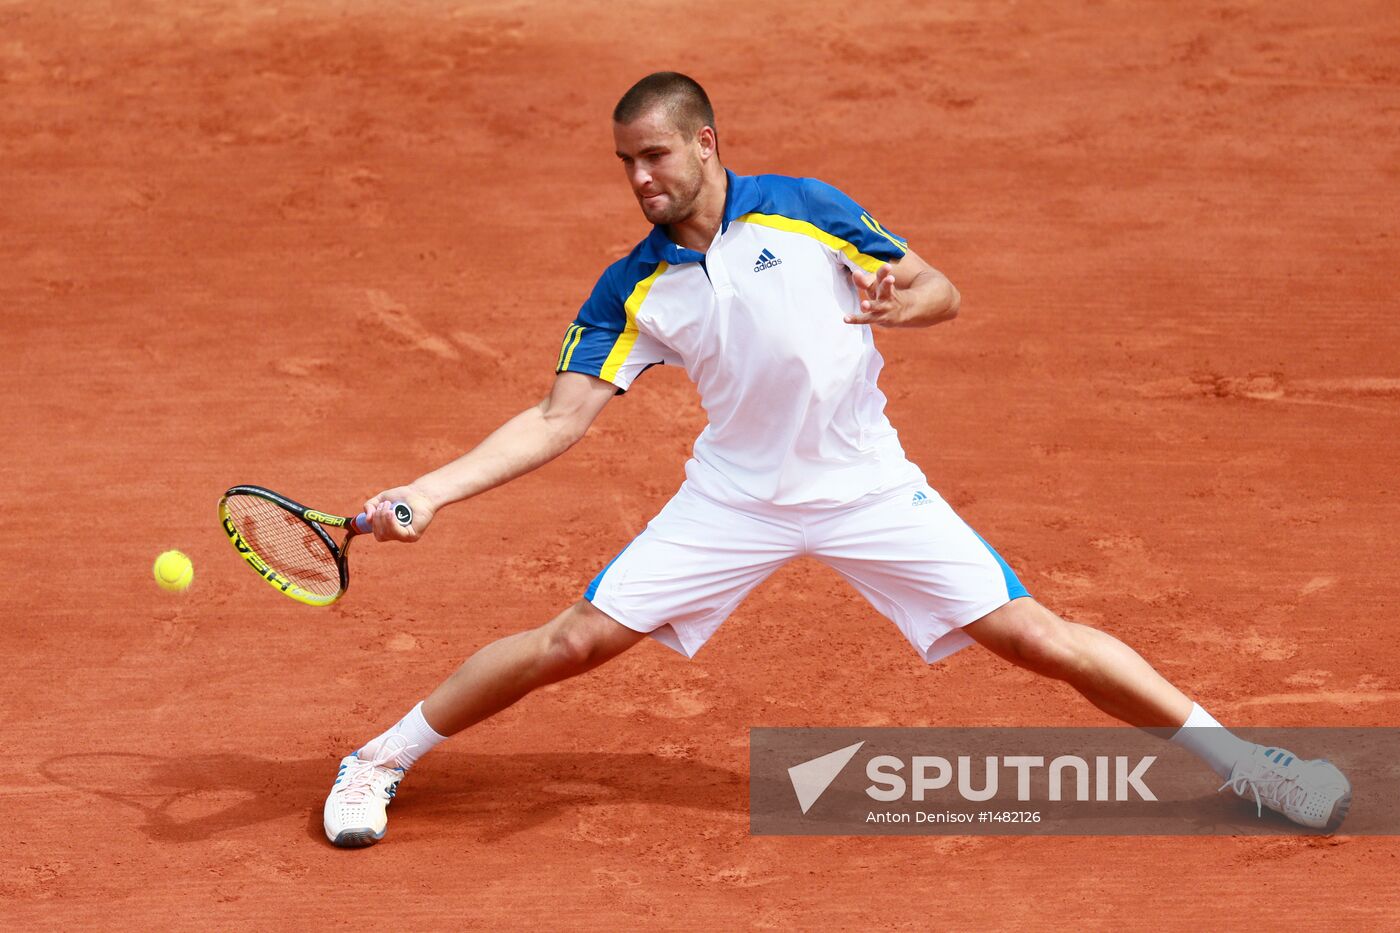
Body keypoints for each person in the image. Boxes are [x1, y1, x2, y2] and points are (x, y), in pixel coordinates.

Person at [321, 72, 1350, 847]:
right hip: (734, 498)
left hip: (863, 485)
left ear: (704, 143)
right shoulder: (633, 288)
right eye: (625, 164)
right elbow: (555, 419)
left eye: (655, 157)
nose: (639, 179)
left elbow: (935, 284)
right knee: (570, 645)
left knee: (1037, 638)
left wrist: (916, 301)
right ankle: (376, 759)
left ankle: (1249, 766)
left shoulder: (804, 210)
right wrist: (429, 491)